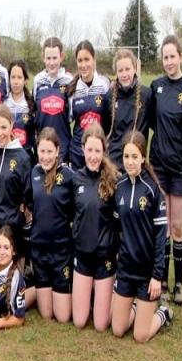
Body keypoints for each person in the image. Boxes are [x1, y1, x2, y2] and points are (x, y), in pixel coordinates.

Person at [149, 35, 182, 305]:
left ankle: (179, 283)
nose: (168, 61)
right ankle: (163, 281)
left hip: (181, 170)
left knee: (178, 226)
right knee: (163, 228)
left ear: (181, 56)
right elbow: (155, 124)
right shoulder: (156, 87)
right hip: (159, 168)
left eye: (172, 56)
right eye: (165, 57)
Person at [111, 131, 173, 343]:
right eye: (126, 157)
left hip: (147, 274)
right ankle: (137, 306)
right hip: (126, 270)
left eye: (134, 157)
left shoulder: (153, 190)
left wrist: (157, 276)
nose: (130, 162)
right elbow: (118, 230)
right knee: (118, 330)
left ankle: (163, 313)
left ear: (143, 158)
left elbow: (160, 238)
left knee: (140, 336)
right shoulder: (118, 188)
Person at [72, 124, 119, 331]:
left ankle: (129, 302)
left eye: (97, 151)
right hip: (82, 255)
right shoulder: (75, 179)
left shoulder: (113, 181)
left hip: (104, 257)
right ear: (83, 149)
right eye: (89, 150)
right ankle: (90, 298)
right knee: (80, 322)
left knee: (100, 326)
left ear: (103, 152)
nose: (93, 156)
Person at [29, 127, 76, 323]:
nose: (46, 157)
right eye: (42, 151)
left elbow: (76, 210)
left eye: (50, 151)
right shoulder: (34, 172)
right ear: (37, 151)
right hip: (39, 251)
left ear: (58, 151)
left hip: (61, 252)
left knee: (63, 317)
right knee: (47, 314)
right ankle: (17, 294)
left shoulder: (69, 176)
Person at [0, 103, 33, 244]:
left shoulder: (22, 157)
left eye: (4, 127)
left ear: (12, 125)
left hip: (12, 227)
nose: (0, 133)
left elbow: (28, 195)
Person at [68, 40, 111, 169]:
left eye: (87, 59)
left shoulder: (104, 84)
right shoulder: (72, 89)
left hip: (99, 152)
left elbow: (111, 119)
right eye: (80, 60)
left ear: (94, 60)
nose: (84, 64)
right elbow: (67, 121)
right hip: (78, 152)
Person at [105, 50, 152, 168]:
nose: (124, 74)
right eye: (120, 70)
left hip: (136, 161)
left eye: (127, 69)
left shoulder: (146, 95)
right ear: (116, 72)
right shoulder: (109, 96)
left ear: (135, 68)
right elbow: (106, 130)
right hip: (115, 163)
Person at [33, 37, 73, 162]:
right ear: (43, 57)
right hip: (42, 149)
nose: (51, 63)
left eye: (55, 58)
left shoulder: (69, 81)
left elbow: (71, 115)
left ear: (61, 56)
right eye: (48, 58)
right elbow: (34, 110)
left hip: (62, 149)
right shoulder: (37, 80)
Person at [5, 59, 36, 164]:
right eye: (13, 77)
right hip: (7, 156)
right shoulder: (4, 102)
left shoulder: (32, 104)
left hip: (26, 159)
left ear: (25, 80)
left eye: (19, 77)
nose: (16, 81)